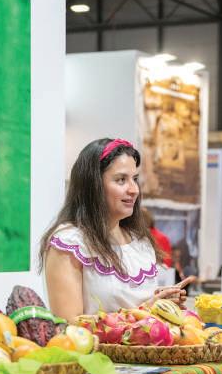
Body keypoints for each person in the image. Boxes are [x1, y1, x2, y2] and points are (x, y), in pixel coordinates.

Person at [39, 137, 187, 321]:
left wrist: (163, 303)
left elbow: (142, 311)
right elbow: (68, 323)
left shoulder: (140, 242)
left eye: (134, 179)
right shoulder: (69, 242)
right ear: (93, 185)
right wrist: (145, 310)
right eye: (121, 180)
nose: (134, 190)